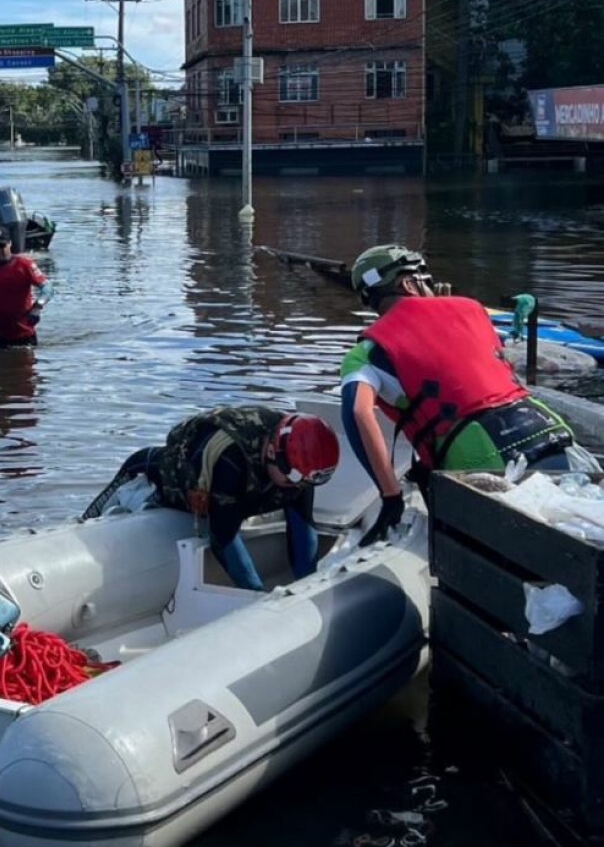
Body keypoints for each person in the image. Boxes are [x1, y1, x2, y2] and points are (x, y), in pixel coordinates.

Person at [341, 243, 576, 546]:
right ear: (408, 283)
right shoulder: (472, 309)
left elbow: (358, 413)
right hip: (549, 427)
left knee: (514, 551)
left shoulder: (367, 352)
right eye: (426, 280)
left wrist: (391, 494)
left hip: (482, 451)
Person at [89, 406, 340, 590]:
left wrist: (308, 585)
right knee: (91, 521)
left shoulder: (298, 467)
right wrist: (258, 596)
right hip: (154, 478)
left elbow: (302, 521)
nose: (295, 488)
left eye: (303, 483)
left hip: (244, 483)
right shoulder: (230, 461)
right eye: (291, 480)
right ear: (272, 452)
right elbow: (224, 537)